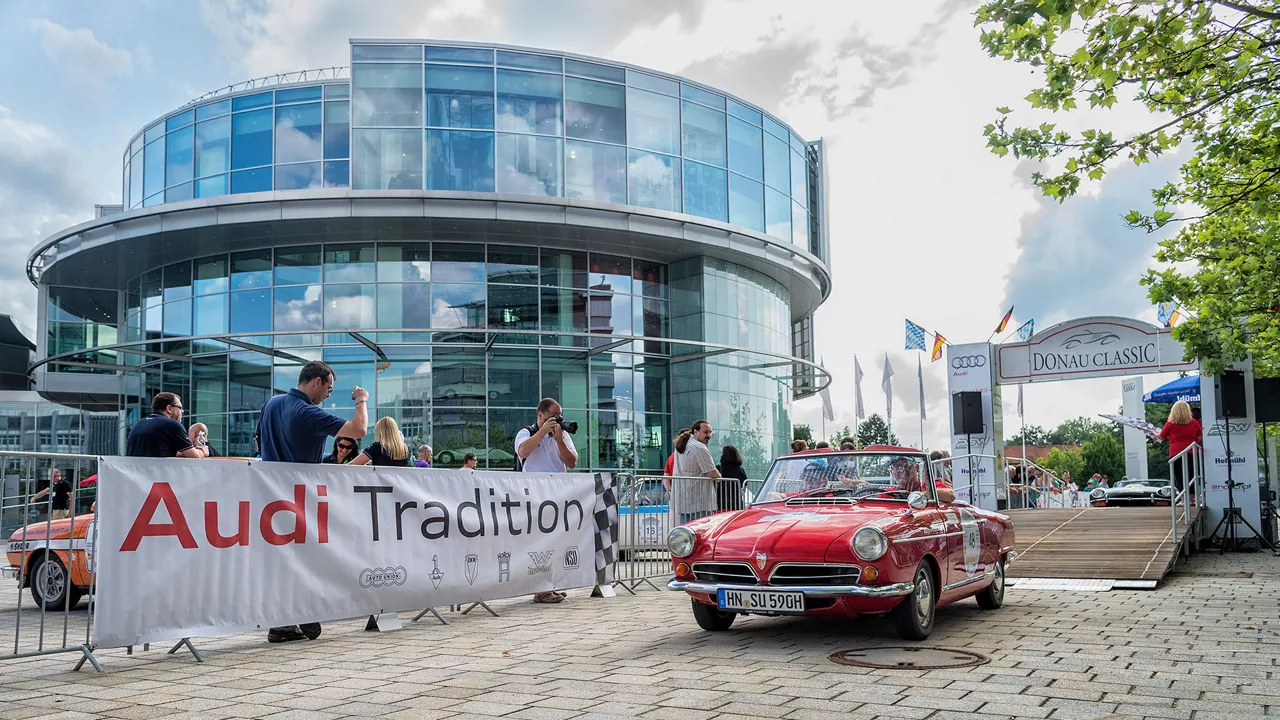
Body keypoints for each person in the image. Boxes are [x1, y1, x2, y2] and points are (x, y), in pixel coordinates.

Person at [256, 360, 369, 643]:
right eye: (329, 388)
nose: (329, 395)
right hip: (300, 493)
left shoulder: (272, 404)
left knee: (284, 558)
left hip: (270, 494)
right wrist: (361, 401)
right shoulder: (308, 412)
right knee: (306, 556)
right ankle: (301, 610)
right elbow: (358, 430)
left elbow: (258, 442)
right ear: (316, 381)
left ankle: (283, 624)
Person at [514, 398, 578, 604]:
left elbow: (572, 462)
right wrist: (542, 433)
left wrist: (558, 440)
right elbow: (522, 451)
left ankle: (550, 585)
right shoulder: (526, 433)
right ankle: (540, 590)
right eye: (553, 417)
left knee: (557, 542)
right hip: (535, 498)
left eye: (560, 417)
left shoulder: (562, 435)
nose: (557, 421)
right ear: (540, 416)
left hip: (558, 496)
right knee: (540, 544)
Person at [125, 392, 208, 459]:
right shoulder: (172, 425)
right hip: (157, 476)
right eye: (180, 408)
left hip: (137, 476)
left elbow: (157, 452)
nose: (182, 411)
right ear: (169, 408)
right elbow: (194, 456)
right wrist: (203, 451)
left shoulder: (139, 424)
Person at [672, 420, 720, 524]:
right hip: (699, 500)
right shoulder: (699, 448)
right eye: (706, 432)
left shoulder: (681, 445)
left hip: (684, 498)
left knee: (686, 533)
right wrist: (719, 477)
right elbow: (711, 472)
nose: (709, 435)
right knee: (702, 531)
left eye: (710, 432)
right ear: (695, 432)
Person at [1160, 399, 1203, 491]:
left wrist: (1153, 432)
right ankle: (1192, 497)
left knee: (1179, 476)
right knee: (1192, 475)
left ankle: (1183, 498)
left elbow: (1161, 436)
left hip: (1176, 452)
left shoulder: (1170, 423)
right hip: (1192, 451)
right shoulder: (1194, 422)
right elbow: (1199, 437)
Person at [715, 445, 748, 512]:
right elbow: (744, 488)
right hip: (737, 504)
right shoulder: (741, 470)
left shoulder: (718, 469)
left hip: (721, 504)